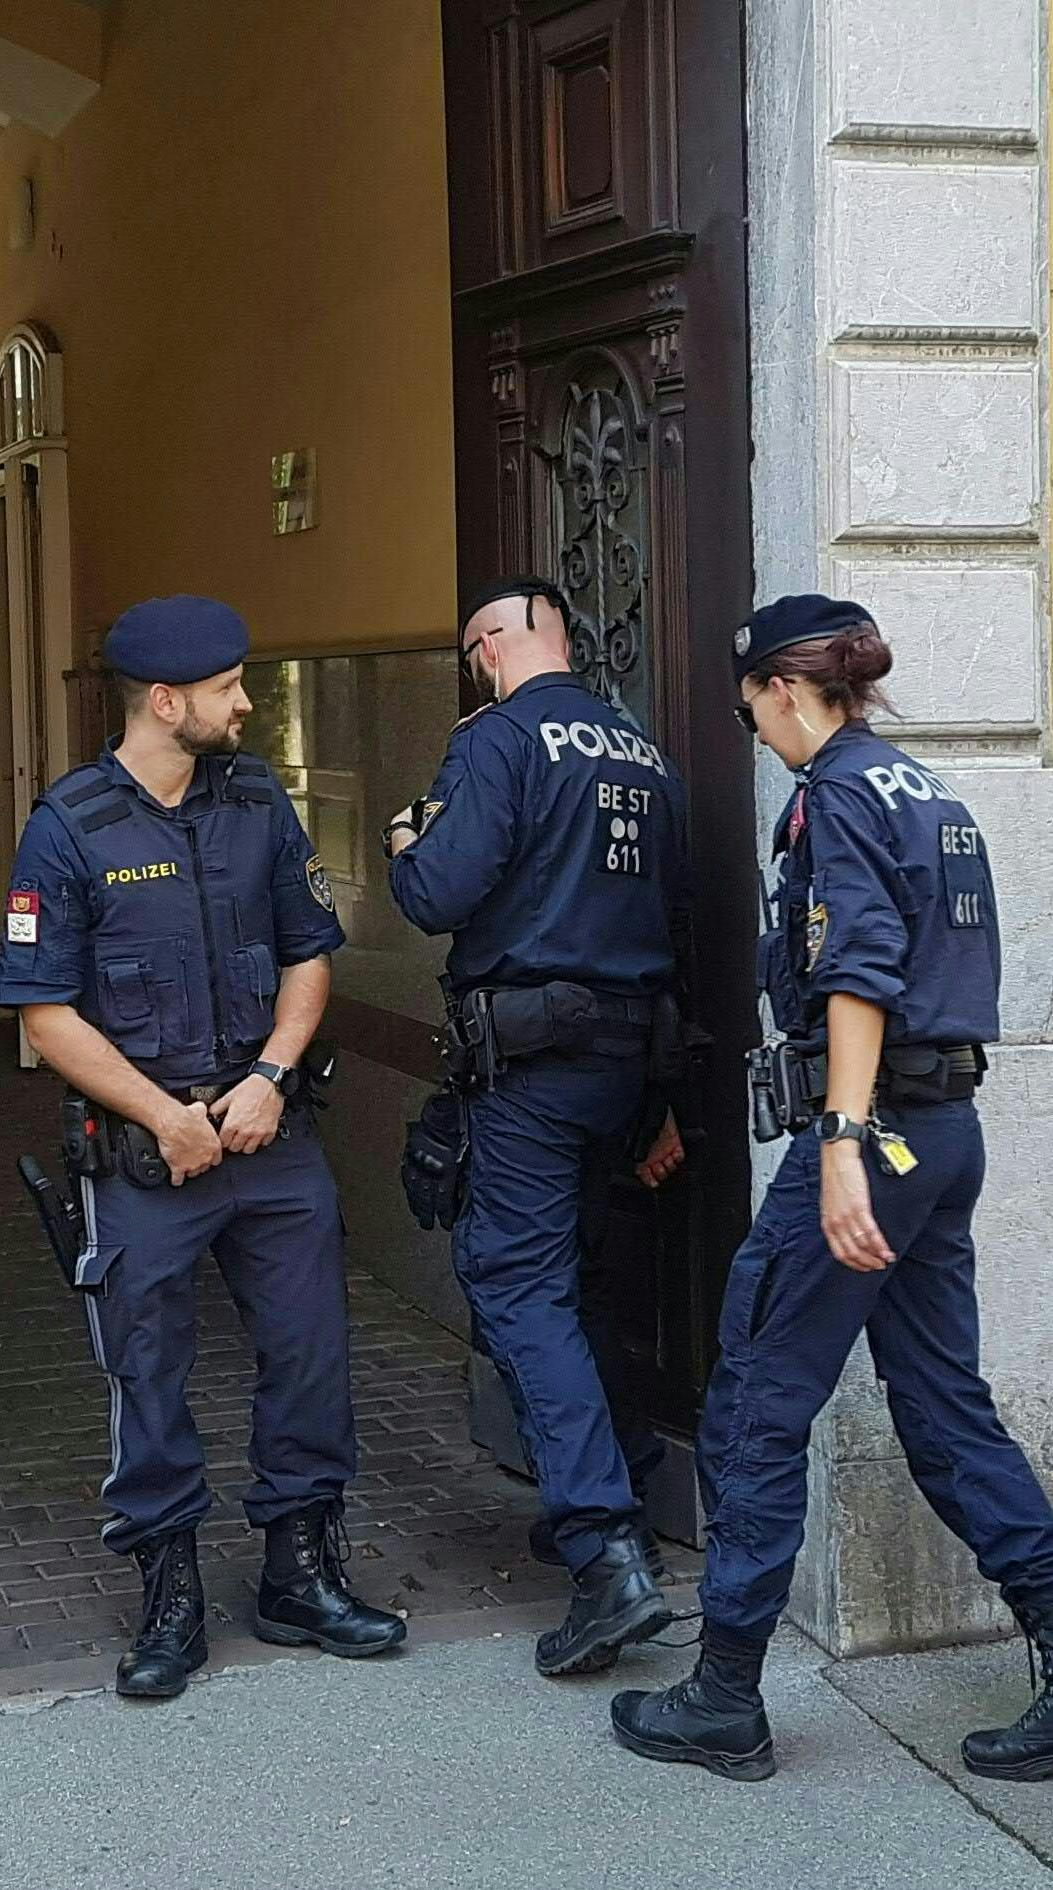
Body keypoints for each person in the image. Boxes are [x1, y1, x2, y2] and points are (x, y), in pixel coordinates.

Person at [609, 594, 1053, 1785]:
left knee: (756, 1398)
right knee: (947, 1410)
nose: (754, 729)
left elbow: (856, 971)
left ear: (790, 691)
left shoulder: (841, 796)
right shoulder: (928, 793)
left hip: (879, 1136)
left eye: (753, 705)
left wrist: (844, 1140)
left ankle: (723, 1699)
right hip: (943, 1132)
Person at [0, 594, 404, 1703]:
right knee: (148, 1371)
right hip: (146, 1154)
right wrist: (163, 1118)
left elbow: (310, 951)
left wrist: (271, 1076)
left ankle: (301, 1574)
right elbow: (44, 1011)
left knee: (311, 1353)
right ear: (166, 702)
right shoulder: (70, 825)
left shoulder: (258, 800)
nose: (247, 701)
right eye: (229, 687)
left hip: (270, 1138)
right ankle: (168, 1592)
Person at [384, 576, 691, 1678]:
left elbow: (438, 893)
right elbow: (672, 911)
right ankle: (626, 1481)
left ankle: (605, 1553)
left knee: (515, 1281)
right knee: (587, 1281)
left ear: (486, 652)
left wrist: (407, 841)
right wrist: (659, 1101)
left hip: (532, 1066)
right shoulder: (642, 752)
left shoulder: (497, 742)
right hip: (625, 1064)